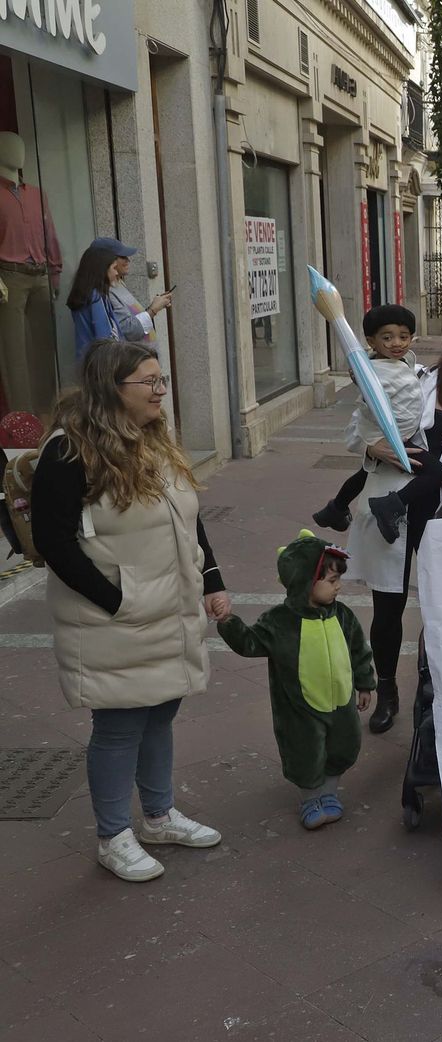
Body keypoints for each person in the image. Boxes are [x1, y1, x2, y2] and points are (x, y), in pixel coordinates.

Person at [30, 340, 228, 881]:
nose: (162, 390)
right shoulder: (68, 452)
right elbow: (53, 540)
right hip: (114, 617)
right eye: (151, 382)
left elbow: (188, 516)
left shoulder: (155, 439)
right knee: (119, 725)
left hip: (170, 606)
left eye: (162, 379)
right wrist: (117, 600)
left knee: (161, 710)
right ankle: (113, 834)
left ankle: (159, 816)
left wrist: (212, 579)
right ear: (111, 389)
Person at [346, 315, 442, 734]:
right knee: (387, 607)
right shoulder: (412, 379)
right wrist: (374, 450)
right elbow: (358, 428)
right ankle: (387, 691)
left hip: (441, 516)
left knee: (441, 607)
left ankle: (434, 690)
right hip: (390, 504)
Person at [216, 532, 376, 830]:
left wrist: (365, 683)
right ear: (305, 581)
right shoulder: (280, 621)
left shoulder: (342, 615)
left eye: (338, 579)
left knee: (344, 745)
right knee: (305, 752)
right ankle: (310, 797)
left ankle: (328, 792)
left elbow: (359, 650)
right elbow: (250, 643)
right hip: (300, 709)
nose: (338, 586)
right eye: (330, 581)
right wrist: (228, 622)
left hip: (341, 702)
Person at [311, 305, 442, 538]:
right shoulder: (371, 372)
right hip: (392, 440)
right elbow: (368, 405)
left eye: (404, 337)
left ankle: (335, 508)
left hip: (397, 434)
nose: (397, 343)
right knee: (438, 474)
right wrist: (361, 381)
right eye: (388, 337)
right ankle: (390, 505)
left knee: (365, 473)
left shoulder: (401, 363)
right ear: (371, 341)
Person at [66, 238, 172, 360]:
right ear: (102, 267)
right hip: (106, 365)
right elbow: (107, 338)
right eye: (114, 268)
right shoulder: (97, 296)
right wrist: (153, 310)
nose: (116, 273)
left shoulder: (96, 292)